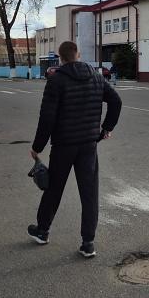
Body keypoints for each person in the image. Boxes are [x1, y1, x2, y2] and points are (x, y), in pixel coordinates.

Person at [28, 40, 122, 257]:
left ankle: (42, 231)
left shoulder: (56, 80)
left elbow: (47, 117)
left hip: (63, 145)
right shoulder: (96, 77)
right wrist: (106, 129)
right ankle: (88, 243)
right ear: (78, 54)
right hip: (88, 145)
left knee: (54, 188)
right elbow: (116, 101)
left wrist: (37, 147)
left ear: (61, 58)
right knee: (89, 193)